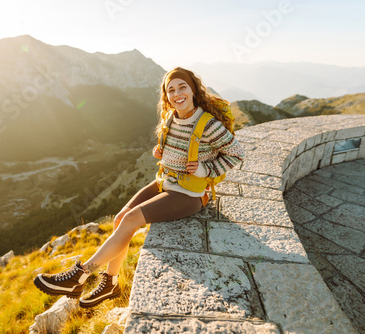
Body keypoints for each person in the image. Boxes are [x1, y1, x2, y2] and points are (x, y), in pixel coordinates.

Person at [33, 67, 245, 308]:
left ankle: (80, 275)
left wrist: (204, 171)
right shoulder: (171, 118)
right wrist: (163, 152)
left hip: (189, 194)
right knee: (120, 218)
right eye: (171, 90)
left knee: (132, 218)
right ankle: (111, 284)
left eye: (182, 87)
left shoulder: (208, 124)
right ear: (167, 96)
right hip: (165, 182)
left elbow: (237, 154)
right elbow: (177, 149)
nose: (177, 94)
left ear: (194, 89)